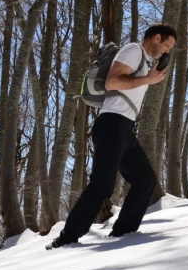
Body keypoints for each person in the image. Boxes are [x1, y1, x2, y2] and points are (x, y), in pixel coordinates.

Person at [49, 23, 177, 249]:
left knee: (145, 180)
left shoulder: (145, 60)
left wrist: (149, 75)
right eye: (167, 44)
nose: (168, 50)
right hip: (111, 125)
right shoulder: (133, 50)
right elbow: (112, 81)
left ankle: (123, 233)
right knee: (102, 185)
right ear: (156, 38)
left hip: (124, 128)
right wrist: (148, 79)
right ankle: (66, 238)